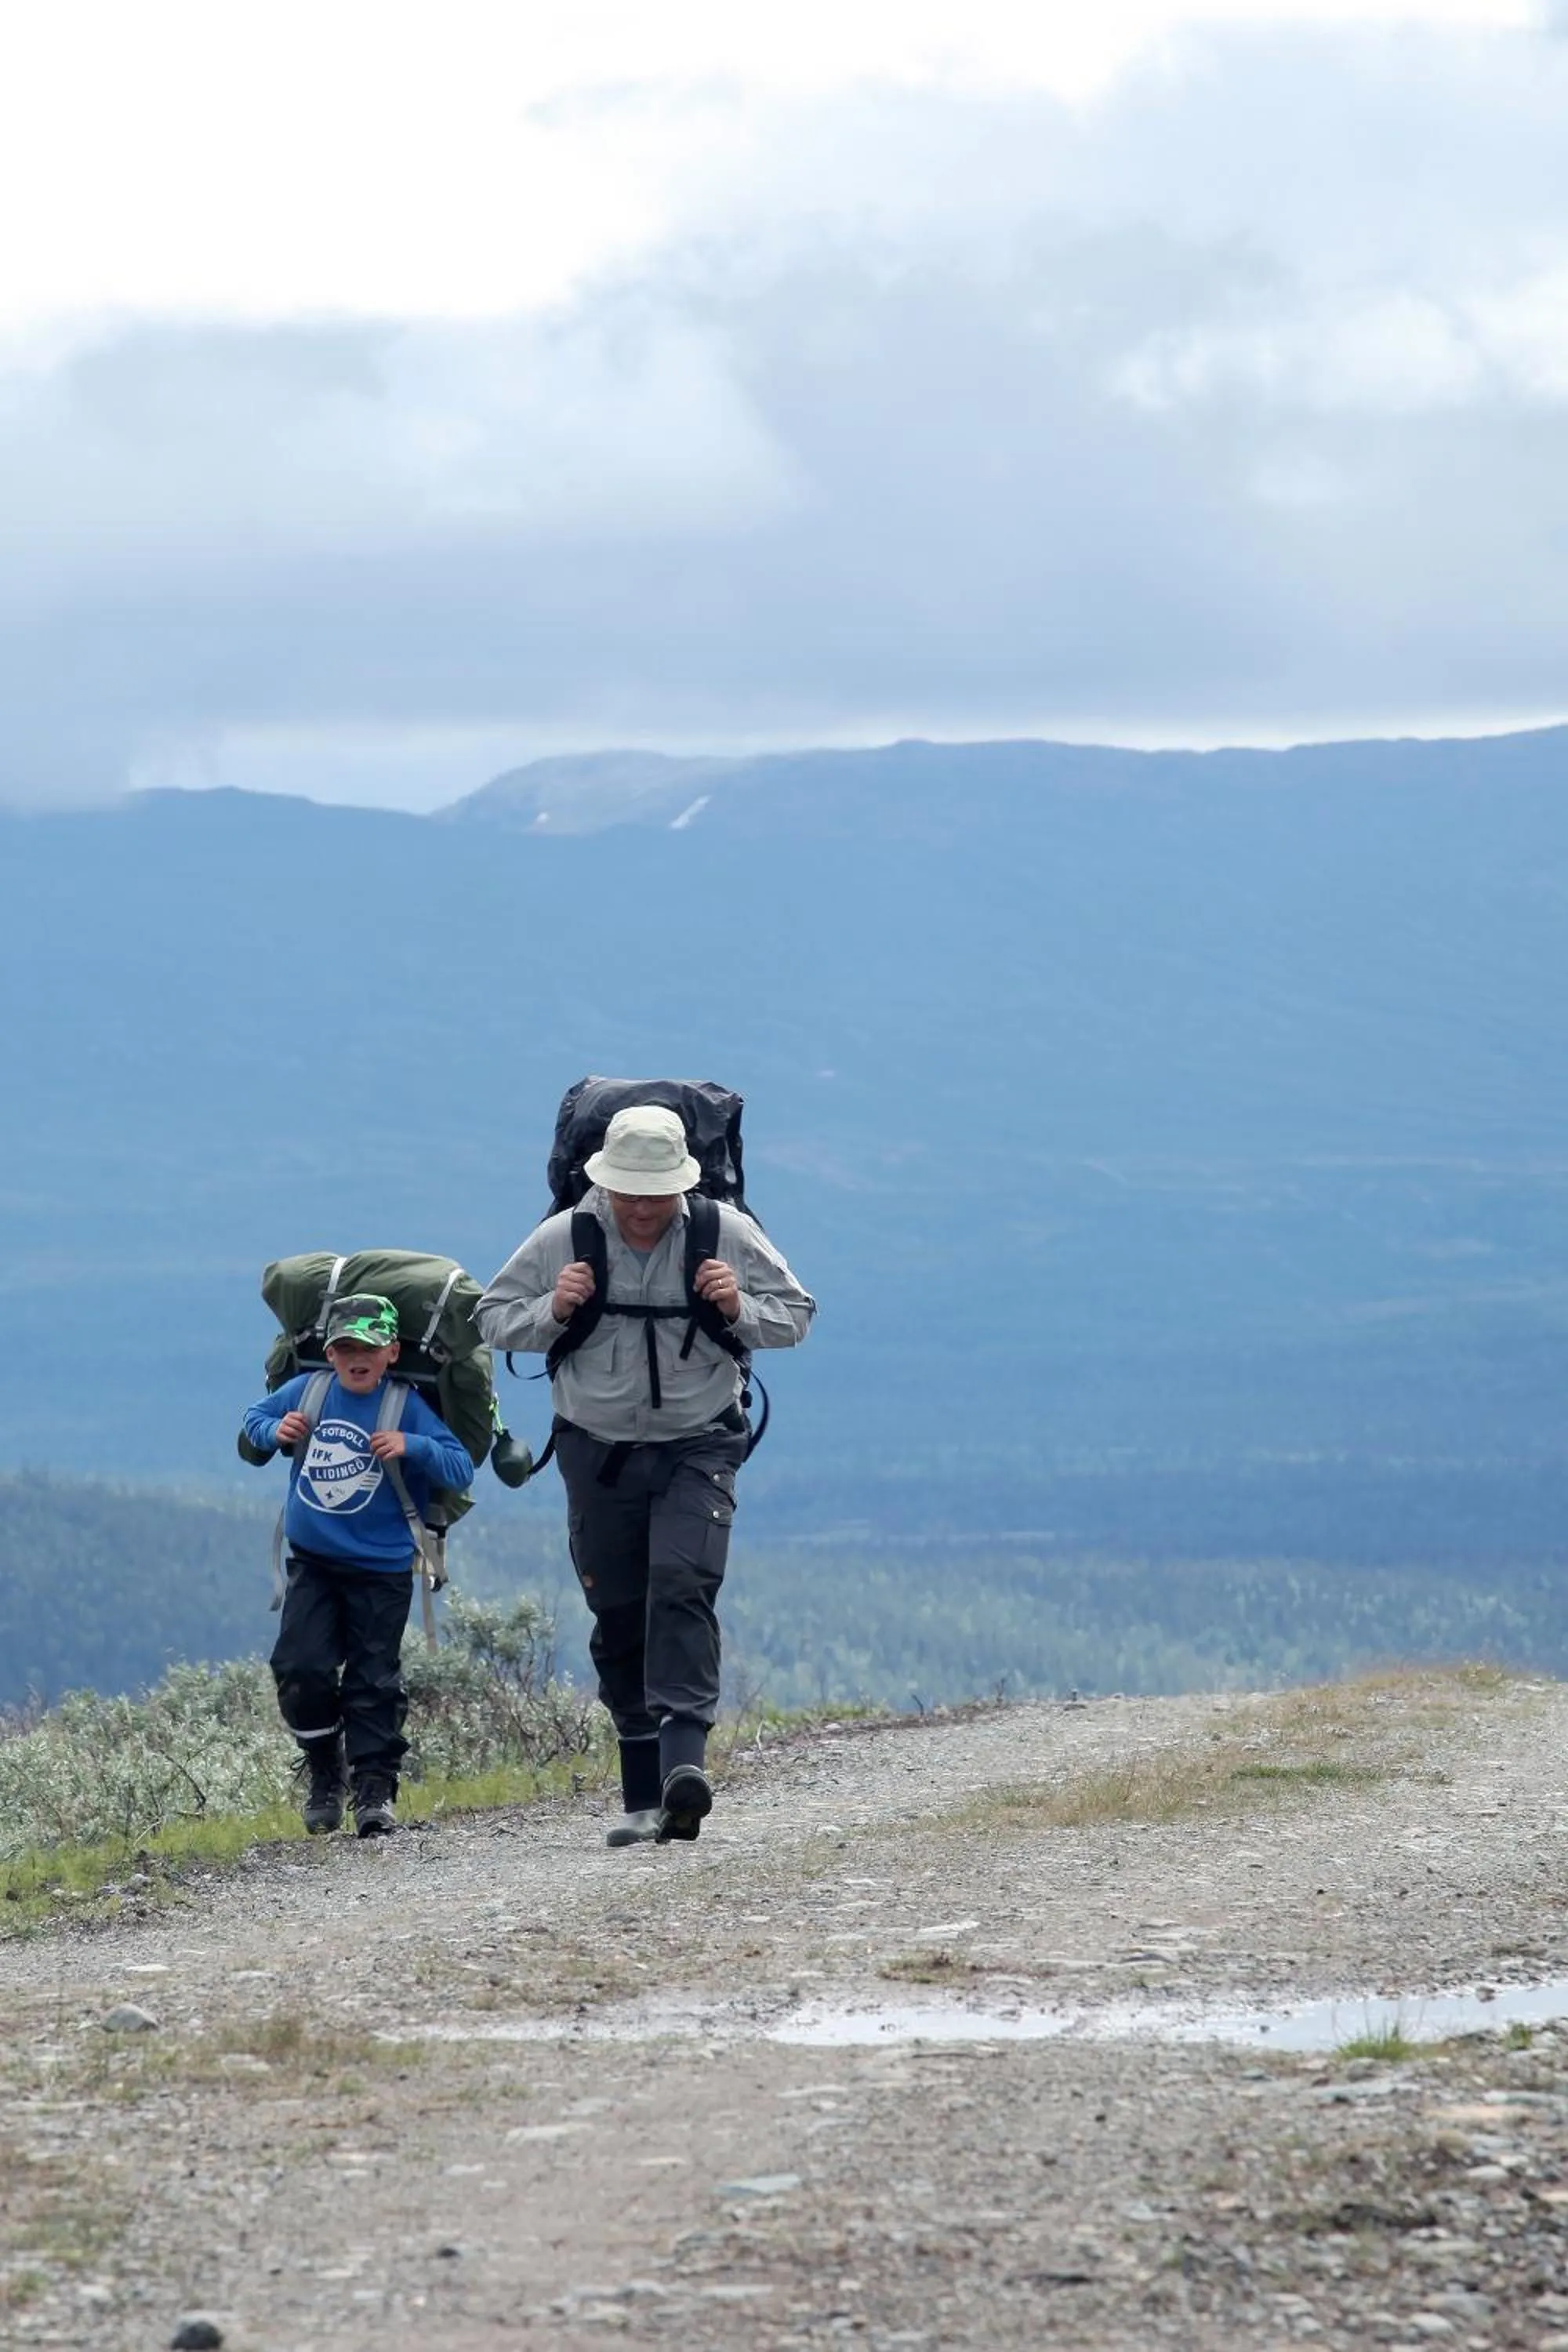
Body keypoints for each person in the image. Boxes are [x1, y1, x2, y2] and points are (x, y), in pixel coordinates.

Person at [477, 1104, 815, 1847]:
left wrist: (739, 1304)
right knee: (621, 1609)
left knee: (683, 1583)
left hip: (701, 1442)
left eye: (655, 1194)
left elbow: (796, 1315)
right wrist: (552, 1308)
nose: (640, 1208)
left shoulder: (722, 1231)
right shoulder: (567, 1235)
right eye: (629, 1192)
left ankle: (682, 1770)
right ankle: (640, 1800)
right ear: (604, 1183)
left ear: (681, 1186)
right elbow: (492, 1317)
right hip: (596, 1449)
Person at [241, 1293, 474, 1837]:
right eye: (345, 1347)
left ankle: (375, 1790)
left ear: (392, 1351)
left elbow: (460, 1467)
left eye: (368, 1346)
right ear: (329, 1352)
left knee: (374, 1680)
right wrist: (274, 1432)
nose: (356, 1357)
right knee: (299, 1668)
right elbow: (254, 1417)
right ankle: (327, 1771)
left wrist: (412, 1445)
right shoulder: (311, 1390)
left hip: (383, 1570)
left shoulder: (406, 1405)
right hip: (314, 1563)